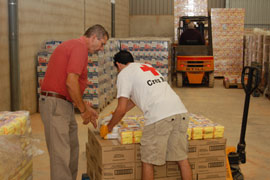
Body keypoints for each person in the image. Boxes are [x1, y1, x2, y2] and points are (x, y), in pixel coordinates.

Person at [100, 50, 192, 180]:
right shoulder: (146, 67)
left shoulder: (124, 74)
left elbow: (121, 109)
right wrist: (116, 114)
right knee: (181, 158)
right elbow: (133, 101)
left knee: (148, 160)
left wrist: (109, 127)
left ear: (118, 65)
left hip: (159, 117)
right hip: (180, 112)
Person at [39, 24, 109, 180]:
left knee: (72, 148)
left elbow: (71, 85)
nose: (101, 48)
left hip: (64, 104)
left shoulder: (77, 48)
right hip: (56, 105)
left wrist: (84, 106)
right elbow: (71, 82)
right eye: (102, 43)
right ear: (93, 37)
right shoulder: (79, 48)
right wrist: (83, 111)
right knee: (61, 155)